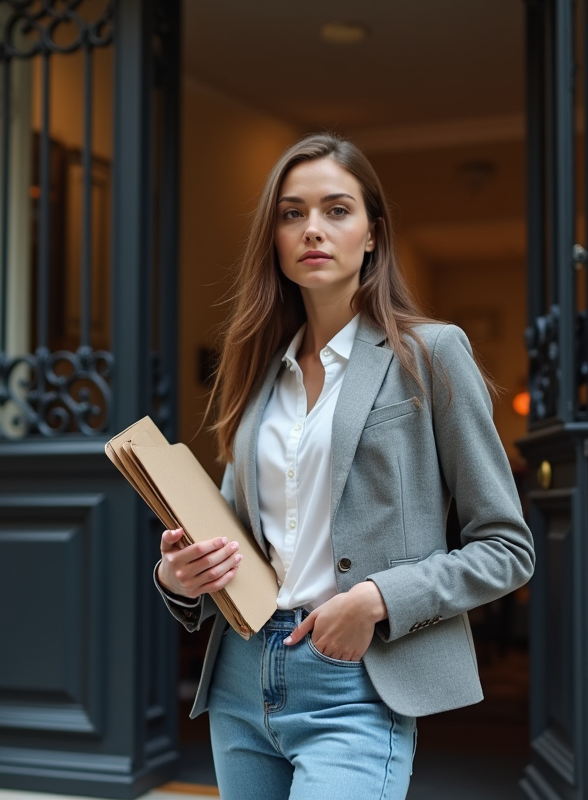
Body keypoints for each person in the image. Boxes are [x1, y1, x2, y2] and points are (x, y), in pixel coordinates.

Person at [153, 132, 534, 800]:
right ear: (273, 237)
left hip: (355, 683)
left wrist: (379, 600)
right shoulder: (252, 370)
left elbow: (506, 548)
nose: (313, 229)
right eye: (292, 213)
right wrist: (179, 575)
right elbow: (234, 537)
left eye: (336, 210)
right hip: (242, 679)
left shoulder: (431, 354)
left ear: (372, 235)